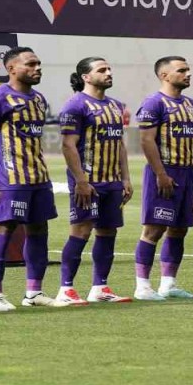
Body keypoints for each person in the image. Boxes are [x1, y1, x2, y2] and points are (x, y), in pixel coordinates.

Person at [0, 47, 59, 311]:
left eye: (38, 63)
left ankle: (34, 291)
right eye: (30, 64)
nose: (37, 68)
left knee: (39, 230)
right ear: (11, 68)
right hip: (10, 178)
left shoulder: (39, 99)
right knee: (3, 229)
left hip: (38, 176)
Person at [58, 57, 134, 304]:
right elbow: (68, 145)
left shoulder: (115, 105)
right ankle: (66, 289)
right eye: (102, 70)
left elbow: (119, 145)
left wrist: (125, 178)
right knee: (81, 230)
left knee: (108, 232)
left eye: (109, 68)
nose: (109, 72)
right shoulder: (75, 105)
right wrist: (80, 180)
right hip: (88, 182)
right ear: (86, 77)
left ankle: (100, 287)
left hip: (112, 182)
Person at [133, 56, 193, 300]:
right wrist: (160, 173)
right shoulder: (154, 103)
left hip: (186, 173)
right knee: (153, 229)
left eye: (188, 69)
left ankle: (168, 284)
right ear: (164, 75)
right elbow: (146, 140)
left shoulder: (191, 104)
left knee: (179, 229)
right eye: (182, 70)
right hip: (164, 173)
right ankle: (142, 286)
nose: (188, 73)